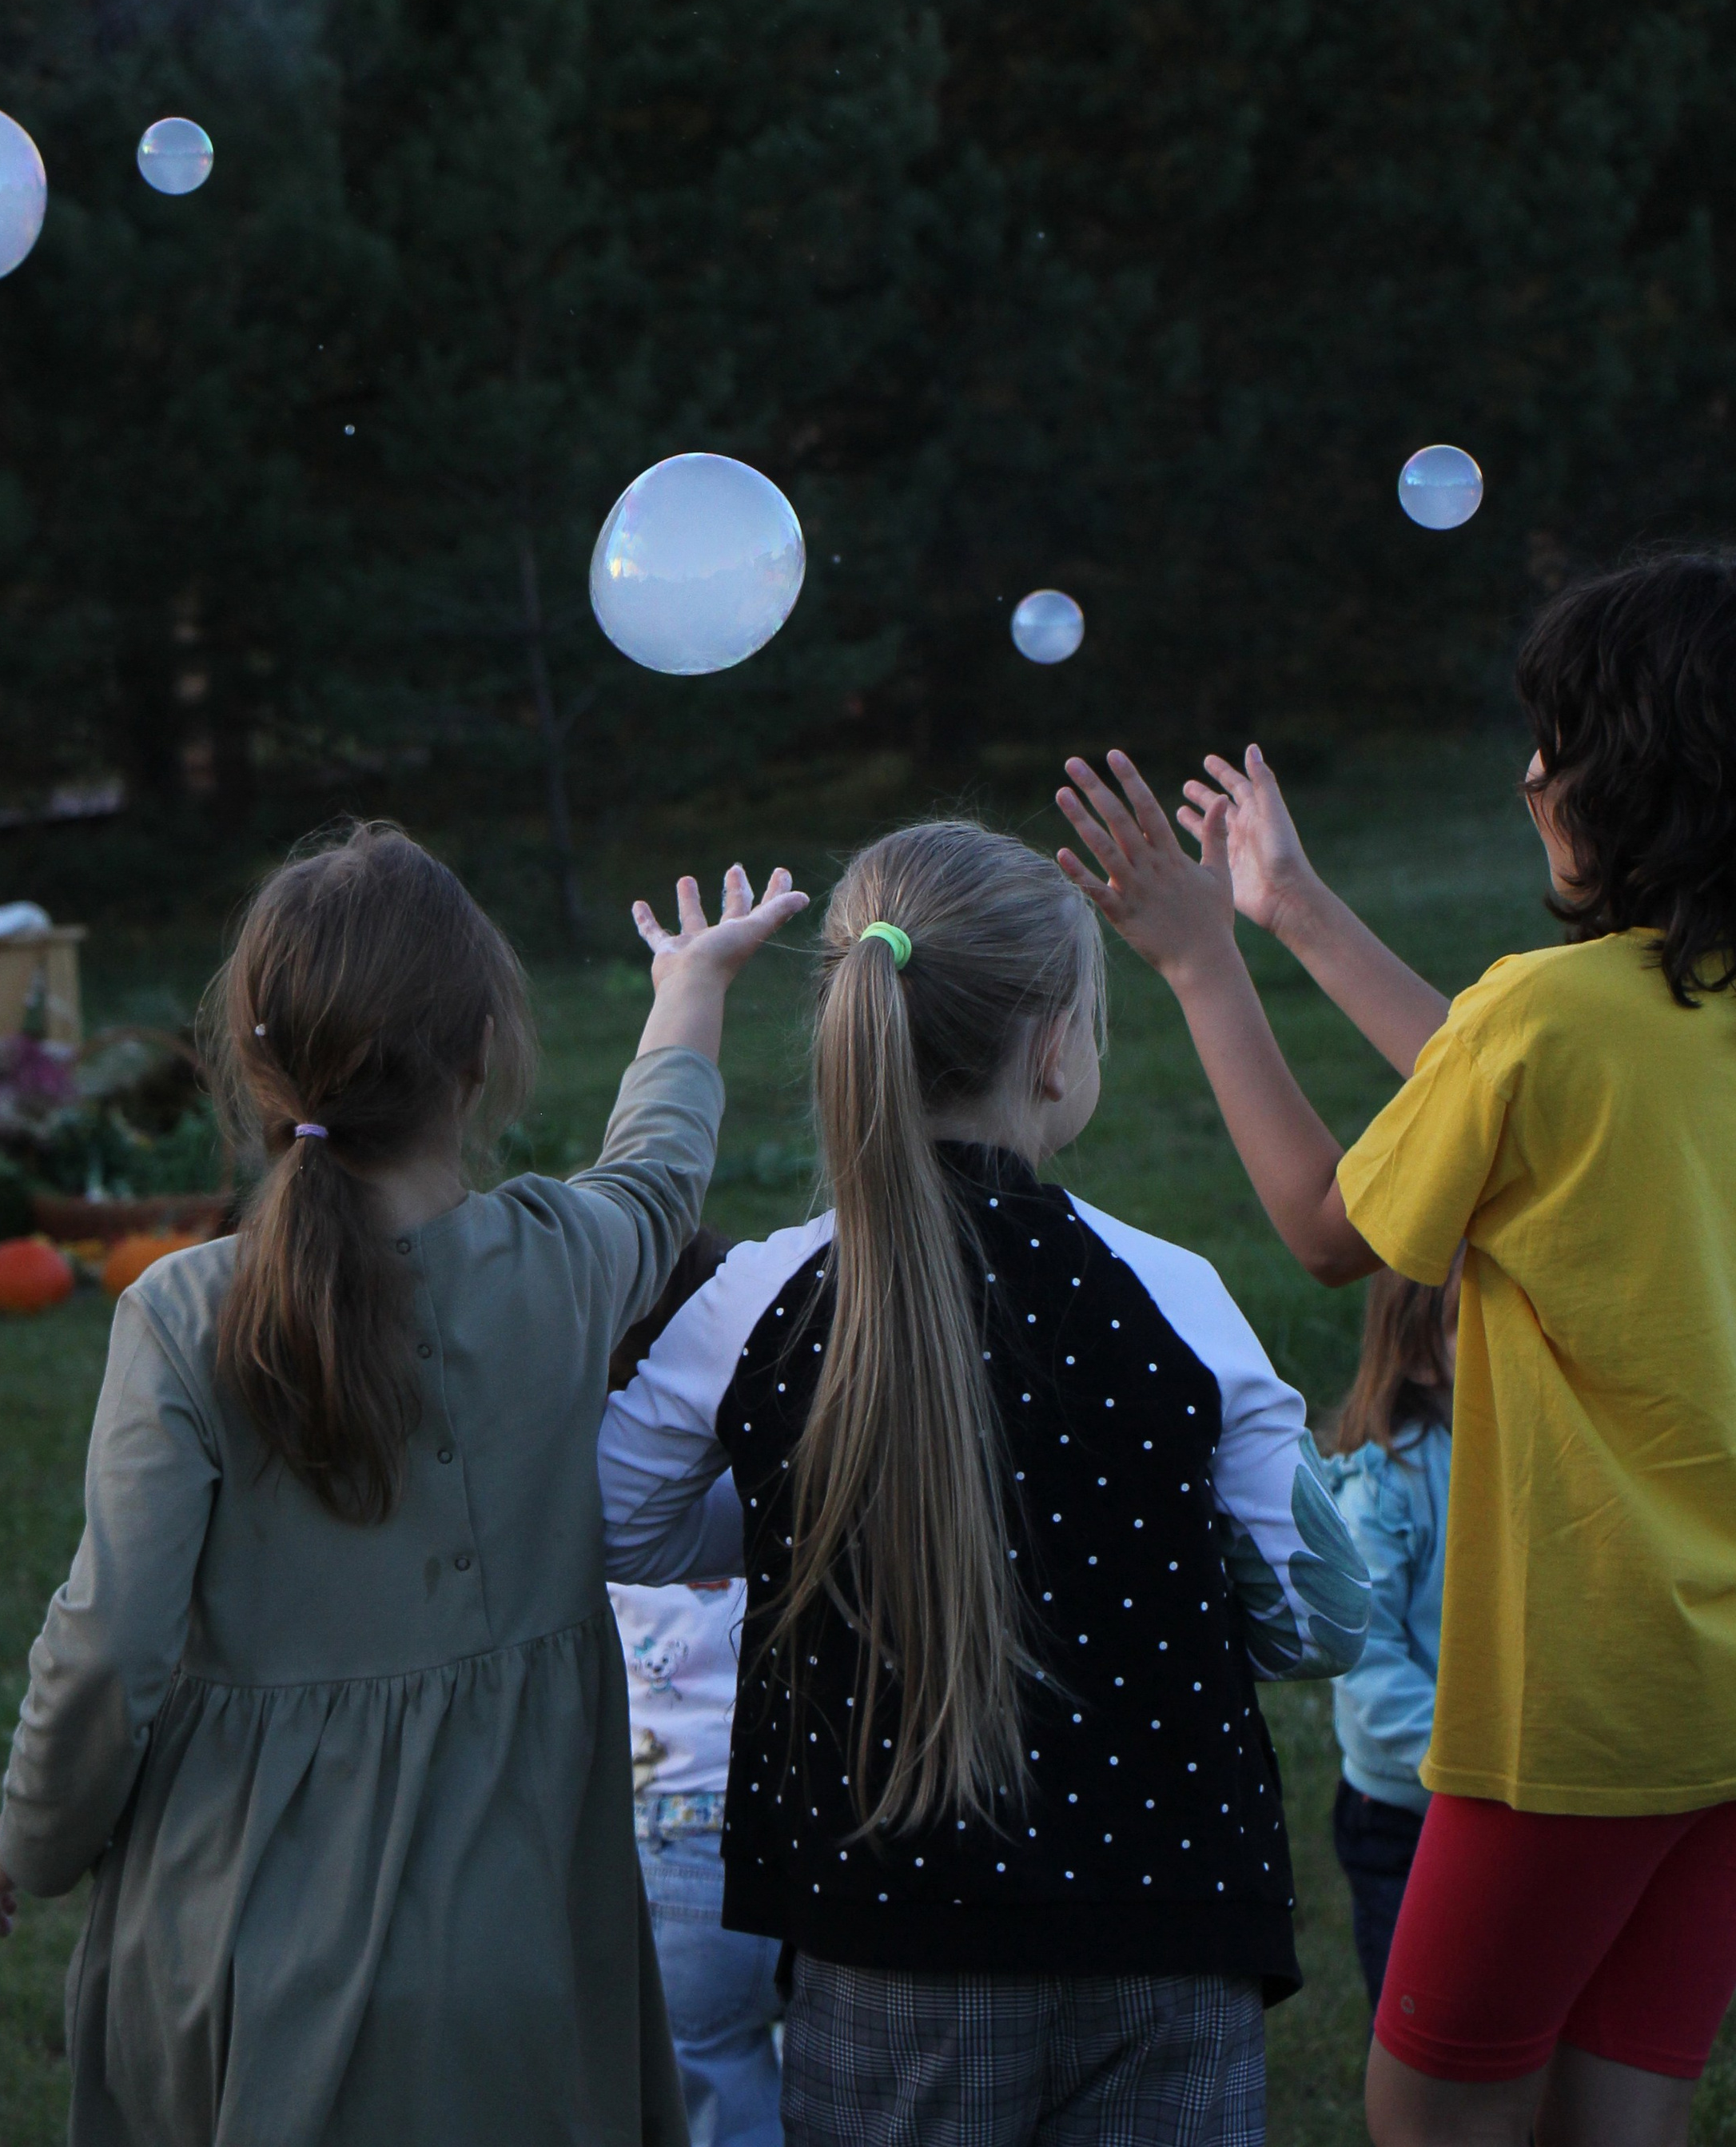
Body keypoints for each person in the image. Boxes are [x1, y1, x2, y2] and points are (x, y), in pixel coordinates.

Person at [0, 818, 808, 2147]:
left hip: (235, 1949)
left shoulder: (181, 1312)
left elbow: (108, 1639)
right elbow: (659, 1170)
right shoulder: (564, 1262)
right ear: (480, 1053)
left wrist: (34, 1833)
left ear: (255, 1059)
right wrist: (691, 985)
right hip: (525, 1959)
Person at [1053, 548, 1736, 2147]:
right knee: (1615, 2115)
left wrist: (1200, 961)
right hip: (1719, 1711)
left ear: (1617, 776)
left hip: (1572, 1710)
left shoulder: (1543, 1023)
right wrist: (1288, 903)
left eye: (1547, 739)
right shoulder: (1600, 1030)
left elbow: (1317, 1221)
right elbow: (1501, 1097)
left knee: (1430, 2114)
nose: (1520, 776)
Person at [599, 817, 1368, 2147]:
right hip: (1165, 1936)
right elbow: (1324, 1617)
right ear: (1054, 1046)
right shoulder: (1176, 1295)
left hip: (889, 1945)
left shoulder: (758, 1297)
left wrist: (810, 1515)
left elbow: (611, 1517)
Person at [608, 1230, 783, 2147]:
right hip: (809, 1828)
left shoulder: (605, 1497)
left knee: (703, 2073)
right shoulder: (786, 1474)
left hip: (670, 1845)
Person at [1320, 1262, 1459, 2009]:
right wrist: (1462, 1764)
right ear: (1419, 1350)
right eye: (1480, 1326)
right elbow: (1365, 1660)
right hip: (1403, 1814)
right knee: (1420, 2021)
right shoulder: (1388, 1485)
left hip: (1511, 1800)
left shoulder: (1536, 1463)